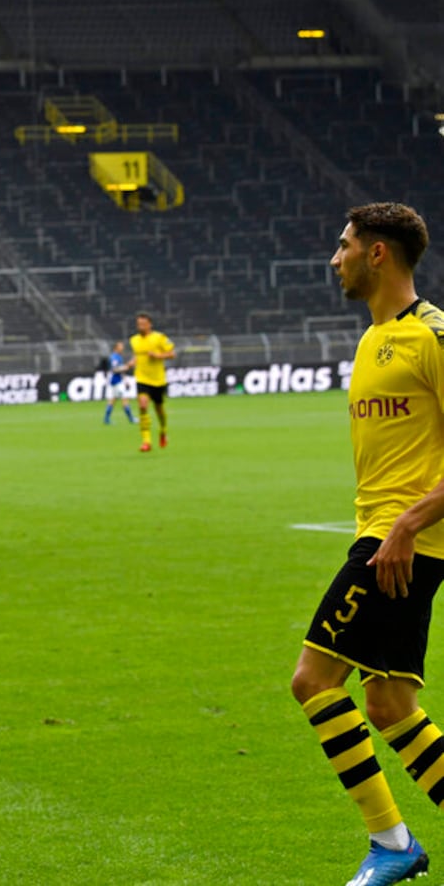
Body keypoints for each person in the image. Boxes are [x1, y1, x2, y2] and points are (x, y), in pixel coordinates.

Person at [291, 203, 444, 886]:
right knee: (387, 705)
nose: (334, 258)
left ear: (376, 254)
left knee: (312, 681)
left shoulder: (431, 334)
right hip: (390, 537)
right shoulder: (373, 338)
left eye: (343, 243)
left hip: (401, 542)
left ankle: (390, 845)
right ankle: (393, 846)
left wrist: (407, 525)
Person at [129, 311, 176, 452]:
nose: (140, 327)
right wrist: (133, 362)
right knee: (143, 405)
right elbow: (139, 356)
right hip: (142, 378)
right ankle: (146, 441)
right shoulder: (134, 340)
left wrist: (158, 355)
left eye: (143, 324)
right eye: (138, 324)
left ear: (150, 324)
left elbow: (172, 354)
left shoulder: (159, 338)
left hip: (158, 380)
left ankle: (163, 430)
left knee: (159, 410)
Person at [102, 340, 136, 426]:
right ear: (116, 347)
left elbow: (121, 371)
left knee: (113, 400)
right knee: (125, 399)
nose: (122, 348)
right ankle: (131, 419)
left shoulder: (119, 357)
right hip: (116, 381)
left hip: (118, 380)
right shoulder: (114, 357)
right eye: (121, 346)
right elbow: (115, 369)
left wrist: (125, 380)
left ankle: (106, 419)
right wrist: (127, 367)